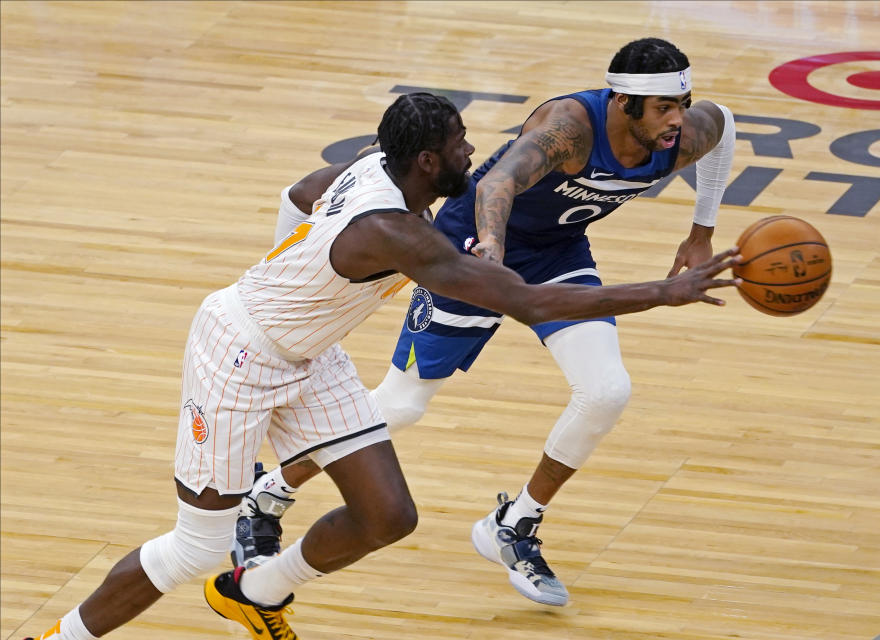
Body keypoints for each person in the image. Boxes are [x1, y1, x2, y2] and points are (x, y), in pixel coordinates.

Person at [25, 90, 739, 640]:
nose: (473, 152)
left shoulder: (378, 168)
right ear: (428, 161)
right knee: (195, 547)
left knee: (387, 515)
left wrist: (293, 272)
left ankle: (255, 593)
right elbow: (526, 302)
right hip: (237, 355)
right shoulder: (397, 233)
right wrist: (666, 292)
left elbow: (301, 192)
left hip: (308, 353)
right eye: (461, 143)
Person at [231, 37, 737, 608]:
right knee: (400, 406)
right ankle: (267, 494)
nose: (677, 120)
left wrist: (703, 230)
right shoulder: (570, 128)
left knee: (607, 391)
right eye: (664, 108)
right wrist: (490, 249)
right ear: (623, 103)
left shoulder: (683, 134)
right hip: (467, 247)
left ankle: (514, 524)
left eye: (682, 103)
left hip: (557, 252)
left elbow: (725, 127)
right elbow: (496, 184)